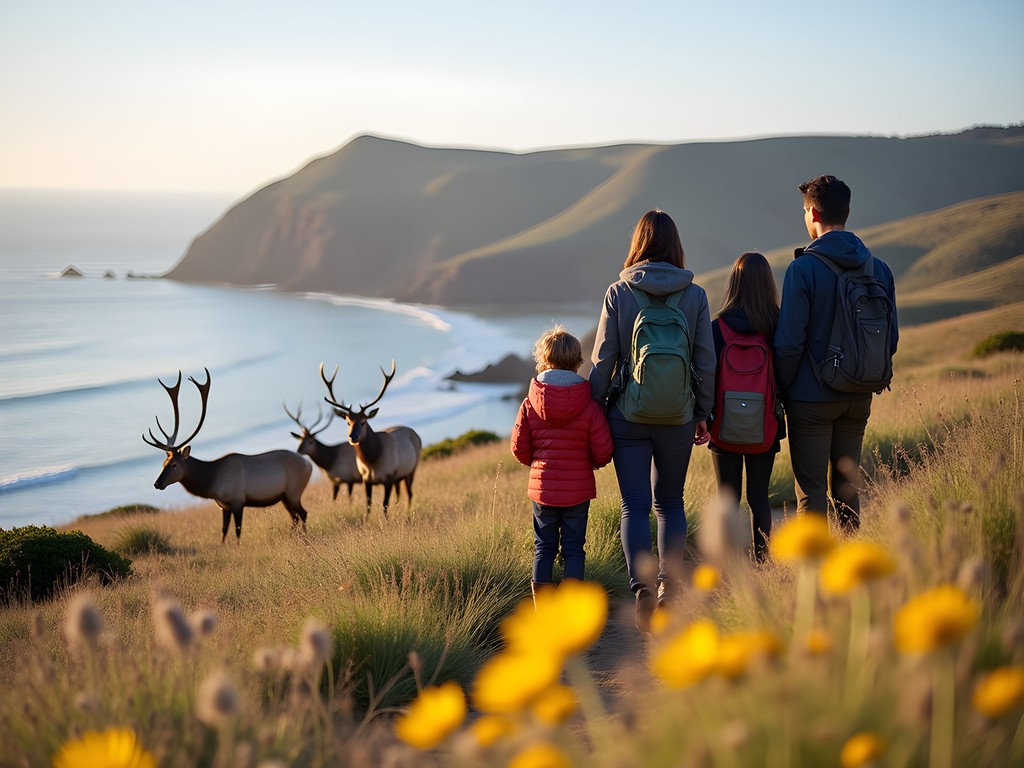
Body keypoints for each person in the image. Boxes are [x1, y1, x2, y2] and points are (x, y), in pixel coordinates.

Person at [589, 210, 716, 632]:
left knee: (634, 505)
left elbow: (604, 359)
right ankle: (668, 588)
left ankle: (641, 589)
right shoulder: (694, 295)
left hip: (627, 414)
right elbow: (706, 362)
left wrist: (594, 410)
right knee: (671, 503)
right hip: (679, 415)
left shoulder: (618, 292)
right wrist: (702, 412)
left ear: (639, 242)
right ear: (675, 245)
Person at [774, 175, 898, 531]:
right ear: (847, 212)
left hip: (810, 399)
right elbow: (891, 338)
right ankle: (851, 563)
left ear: (812, 212)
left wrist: (782, 390)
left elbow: (789, 343)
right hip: (859, 395)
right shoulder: (879, 268)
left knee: (811, 491)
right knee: (847, 485)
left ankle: (815, 577)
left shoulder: (802, 269)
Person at [510, 325, 614, 603]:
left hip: (543, 490)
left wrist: (539, 465)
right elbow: (603, 451)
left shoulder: (530, 402)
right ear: (577, 360)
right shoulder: (590, 403)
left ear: (544, 358)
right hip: (578, 491)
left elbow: (519, 448)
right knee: (574, 550)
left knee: (543, 548)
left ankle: (543, 614)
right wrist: (586, 464)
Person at [708, 252, 784, 563]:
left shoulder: (717, 328)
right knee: (759, 498)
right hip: (765, 425)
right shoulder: (777, 325)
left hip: (723, 424)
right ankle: (763, 565)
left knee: (727, 499)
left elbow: (706, 376)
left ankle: (727, 567)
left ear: (733, 284)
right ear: (767, 284)